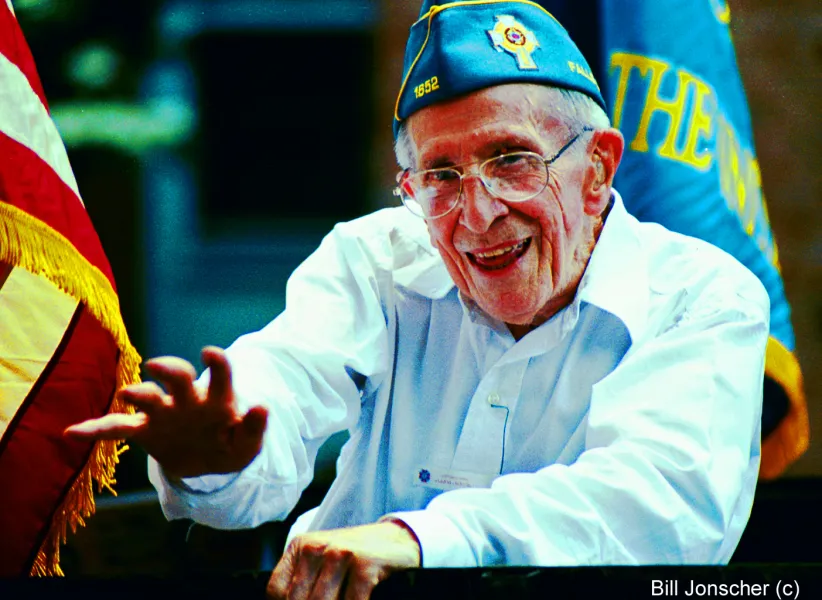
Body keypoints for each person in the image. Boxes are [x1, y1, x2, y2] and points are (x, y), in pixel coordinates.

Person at [67, 1, 769, 598]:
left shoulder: (702, 297)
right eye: (440, 176)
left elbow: (659, 511)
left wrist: (417, 539)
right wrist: (214, 458)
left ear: (598, 168)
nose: (478, 215)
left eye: (511, 161)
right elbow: (280, 386)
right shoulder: (377, 258)